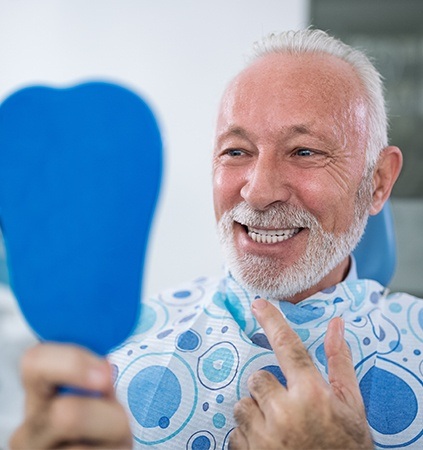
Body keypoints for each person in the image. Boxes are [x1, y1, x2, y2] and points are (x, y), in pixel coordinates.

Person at [10, 29, 422, 450]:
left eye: (304, 151)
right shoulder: (114, 359)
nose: (258, 192)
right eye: (236, 151)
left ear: (377, 182)